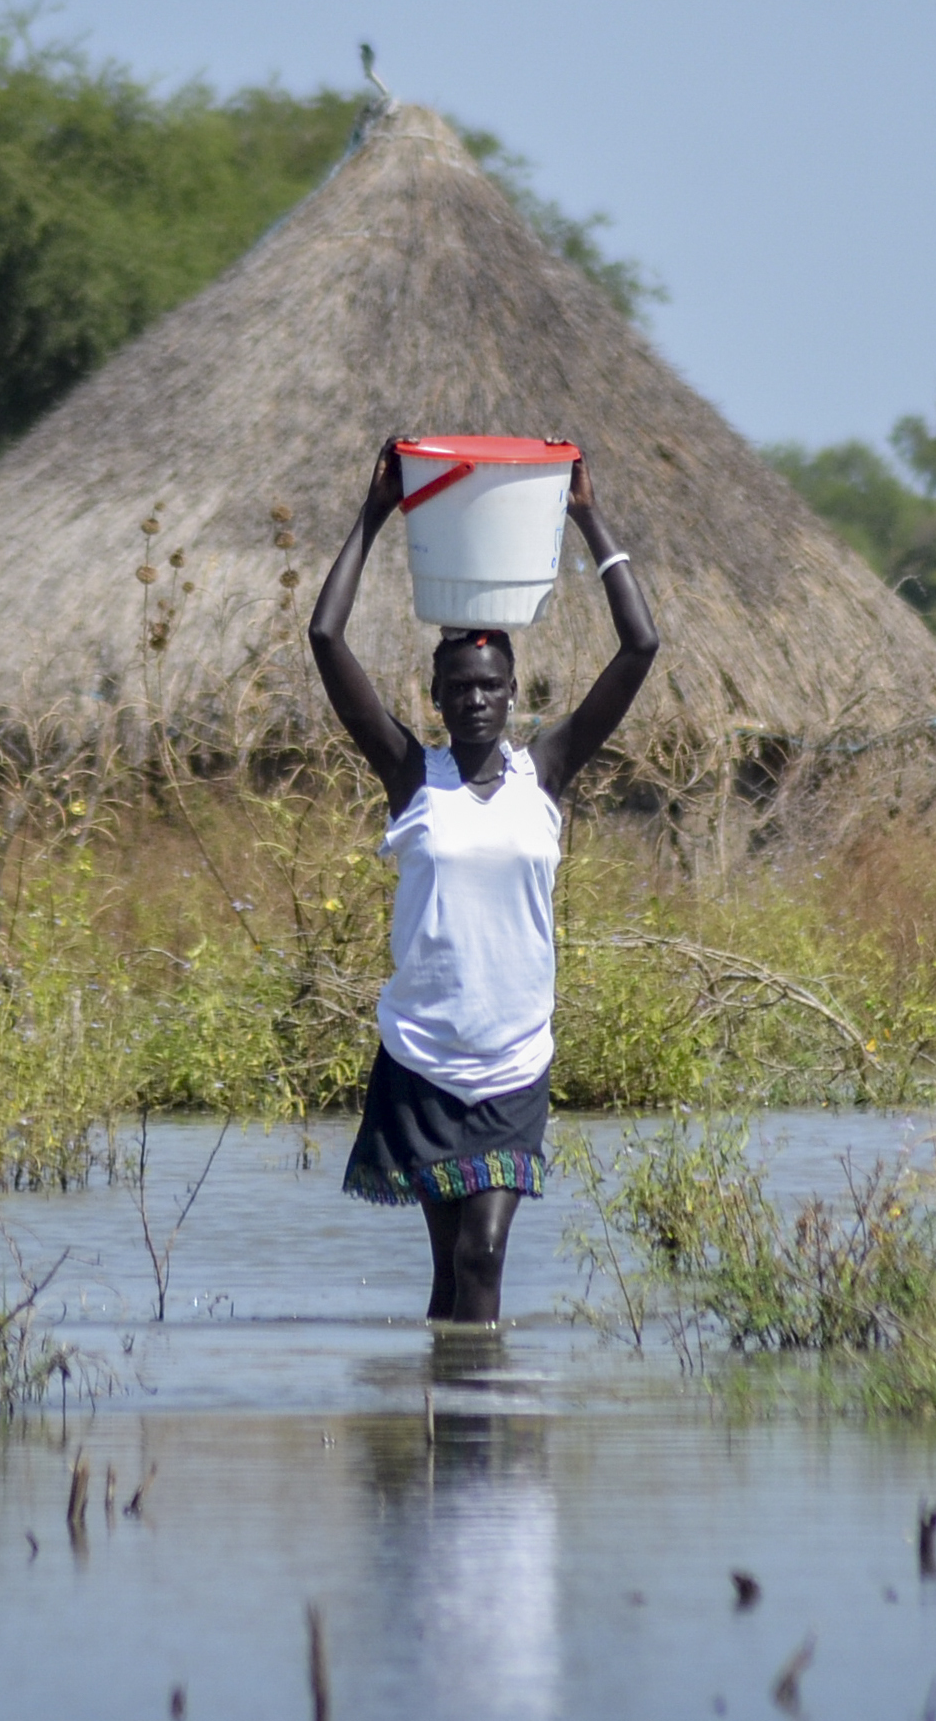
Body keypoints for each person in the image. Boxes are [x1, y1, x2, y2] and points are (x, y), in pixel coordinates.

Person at [308, 436, 661, 1323]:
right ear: (435, 697)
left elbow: (641, 644)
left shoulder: (547, 775)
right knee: (447, 1273)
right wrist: (376, 510)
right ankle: (449, 1433)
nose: (474, 700)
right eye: (458, 687)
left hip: (512, 1058)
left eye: (490, 687)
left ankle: (485, 1449)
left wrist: (586, 516)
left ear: (512, 694)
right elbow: (324, 636)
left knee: (485, 1249)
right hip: (424, 1053)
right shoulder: (410, 778)